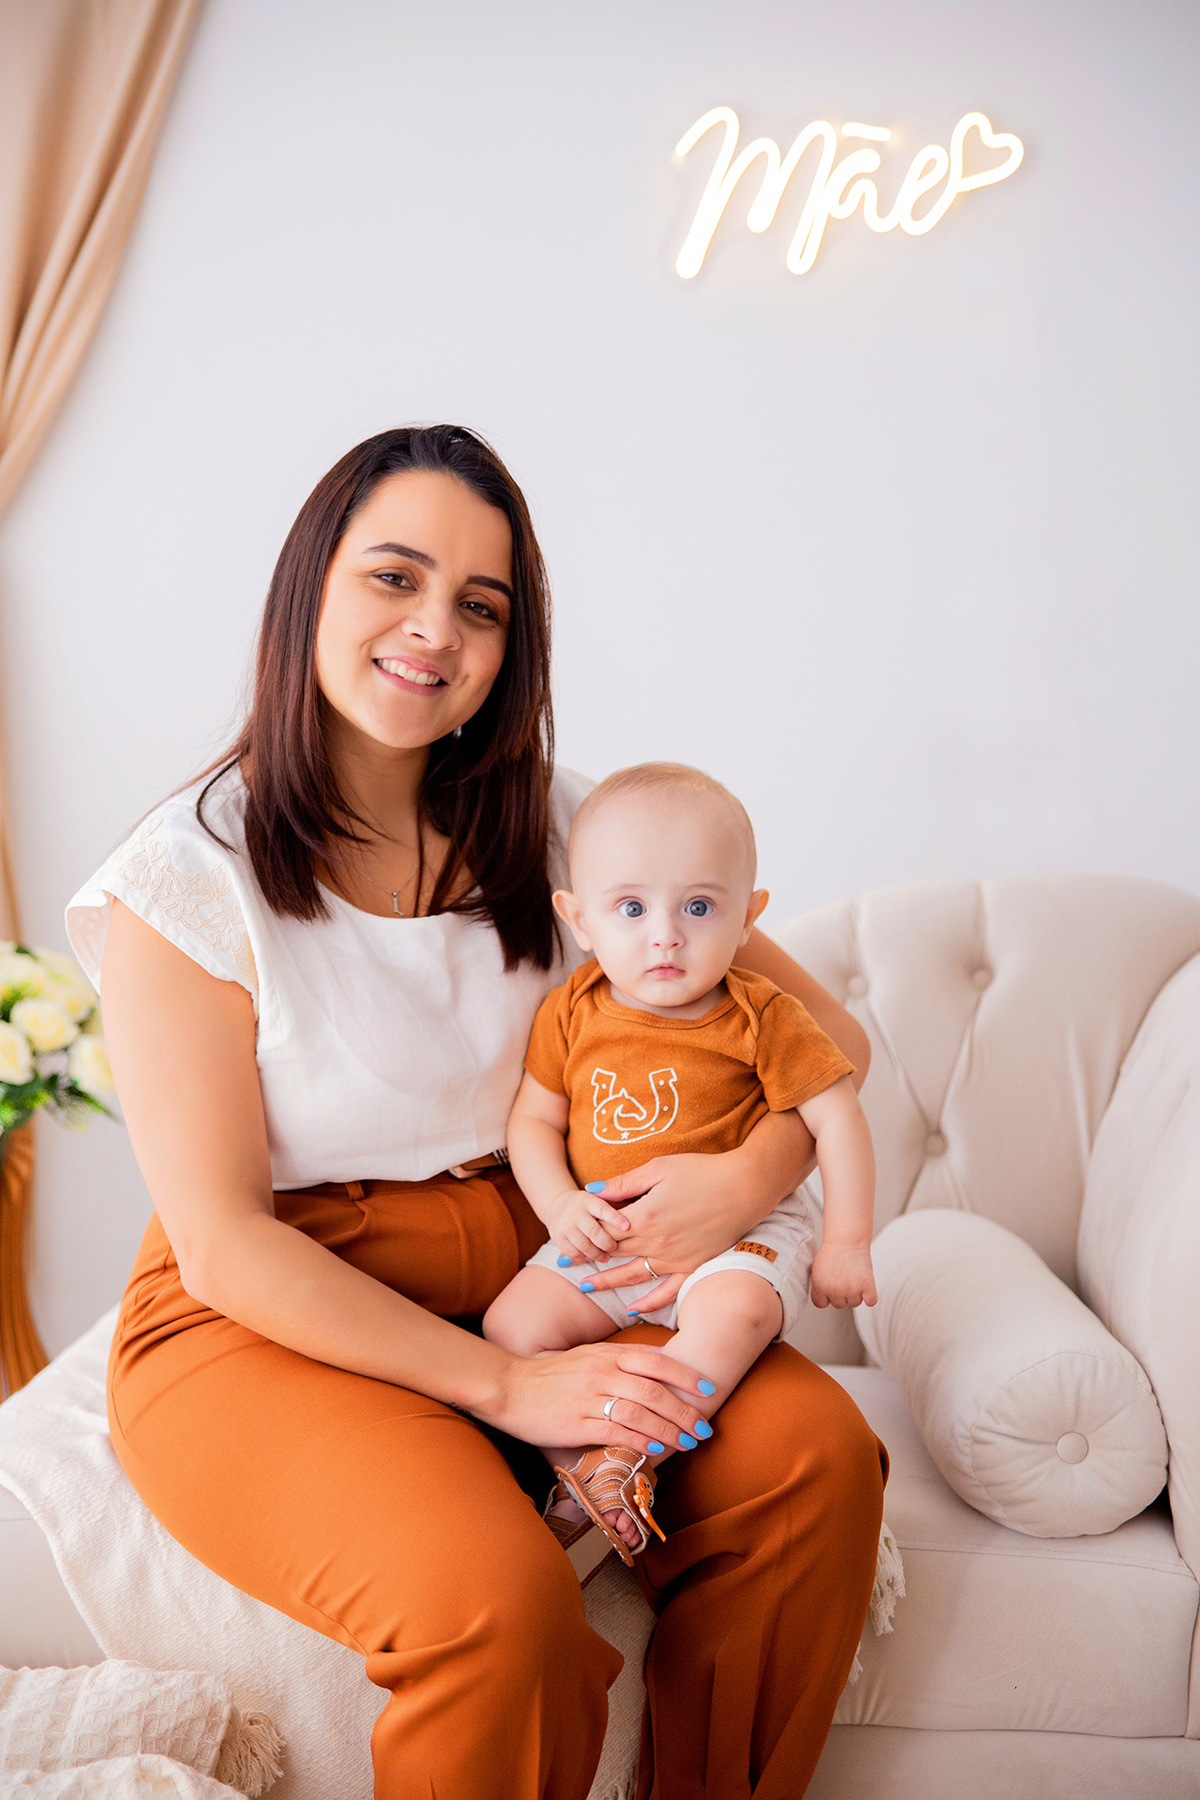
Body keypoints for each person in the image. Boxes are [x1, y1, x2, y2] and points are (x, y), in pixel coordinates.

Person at [66, 425, 887, 1800]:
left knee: (812, 1464)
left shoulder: (570, 829)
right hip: (279, 1309)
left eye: (483, 606)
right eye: (395, 578)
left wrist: (747, 1184)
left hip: (544, 1255)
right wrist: (511, 1388)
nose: (434, 629)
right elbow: (222, 1243)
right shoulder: (185, 876)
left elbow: (833, 1045)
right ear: (310, 590)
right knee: (492, 1605)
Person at [483, 762, 878, 1564]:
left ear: (749, 917)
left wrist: (846, 1242)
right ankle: (584, 1475)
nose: (665, 933)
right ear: (580, 919)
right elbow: (533, 1119)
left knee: (728, 1317)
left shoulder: (764, 1014)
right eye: (631, 909)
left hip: (748, 1227)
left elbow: (840, 1119)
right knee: (511, 1327)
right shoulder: (572, 1011)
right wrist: (560, 1204)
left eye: (699, 907)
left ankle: (637, 1453)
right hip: (608, 1226)